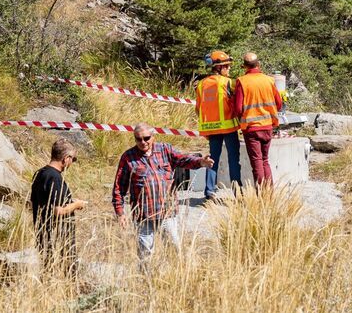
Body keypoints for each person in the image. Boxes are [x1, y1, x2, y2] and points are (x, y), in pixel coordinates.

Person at [112, 124, 213, 262]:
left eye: (146, 138)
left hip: (167, 212)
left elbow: (183, 159)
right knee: (145, 254)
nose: (143, 142)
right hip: (143, 215)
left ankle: (175, 278)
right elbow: (119, 186)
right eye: (138, 139)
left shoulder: (165, 150)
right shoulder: (128, 157)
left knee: (174, 249)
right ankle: (146, 280)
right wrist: (120, 212)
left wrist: (200, 162)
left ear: (153, 136)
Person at [30, 138, 85, 275]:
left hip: (43, 233)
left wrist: (70, 201)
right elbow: (58, 210)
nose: (72, 163)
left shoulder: (40, 173)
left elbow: (46, 201)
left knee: (48, 270)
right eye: (73, 159)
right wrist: (77, 205)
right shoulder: (54, 177)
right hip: (57, 237)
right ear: (66, 158)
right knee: (65, 272)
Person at [196, 50, 241, 200]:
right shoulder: (228, 82)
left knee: (212, 160)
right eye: (226, 66)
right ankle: (237, 192)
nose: (229, 68)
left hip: (211, 129)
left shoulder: (201, 84)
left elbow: (198, 109)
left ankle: (209, 192)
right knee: (233, 159)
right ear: (218, 68)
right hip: (228, 127)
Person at [233, 52, 282, 186]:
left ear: (244, 66)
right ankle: (269, 193)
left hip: (251, 128)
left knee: (257, 162)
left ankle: (261, 194)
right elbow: (279, 103)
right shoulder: (269, 80)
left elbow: (238, 108)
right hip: (268, 127)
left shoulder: (242, 81)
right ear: (258, 64)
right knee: (265, 160)